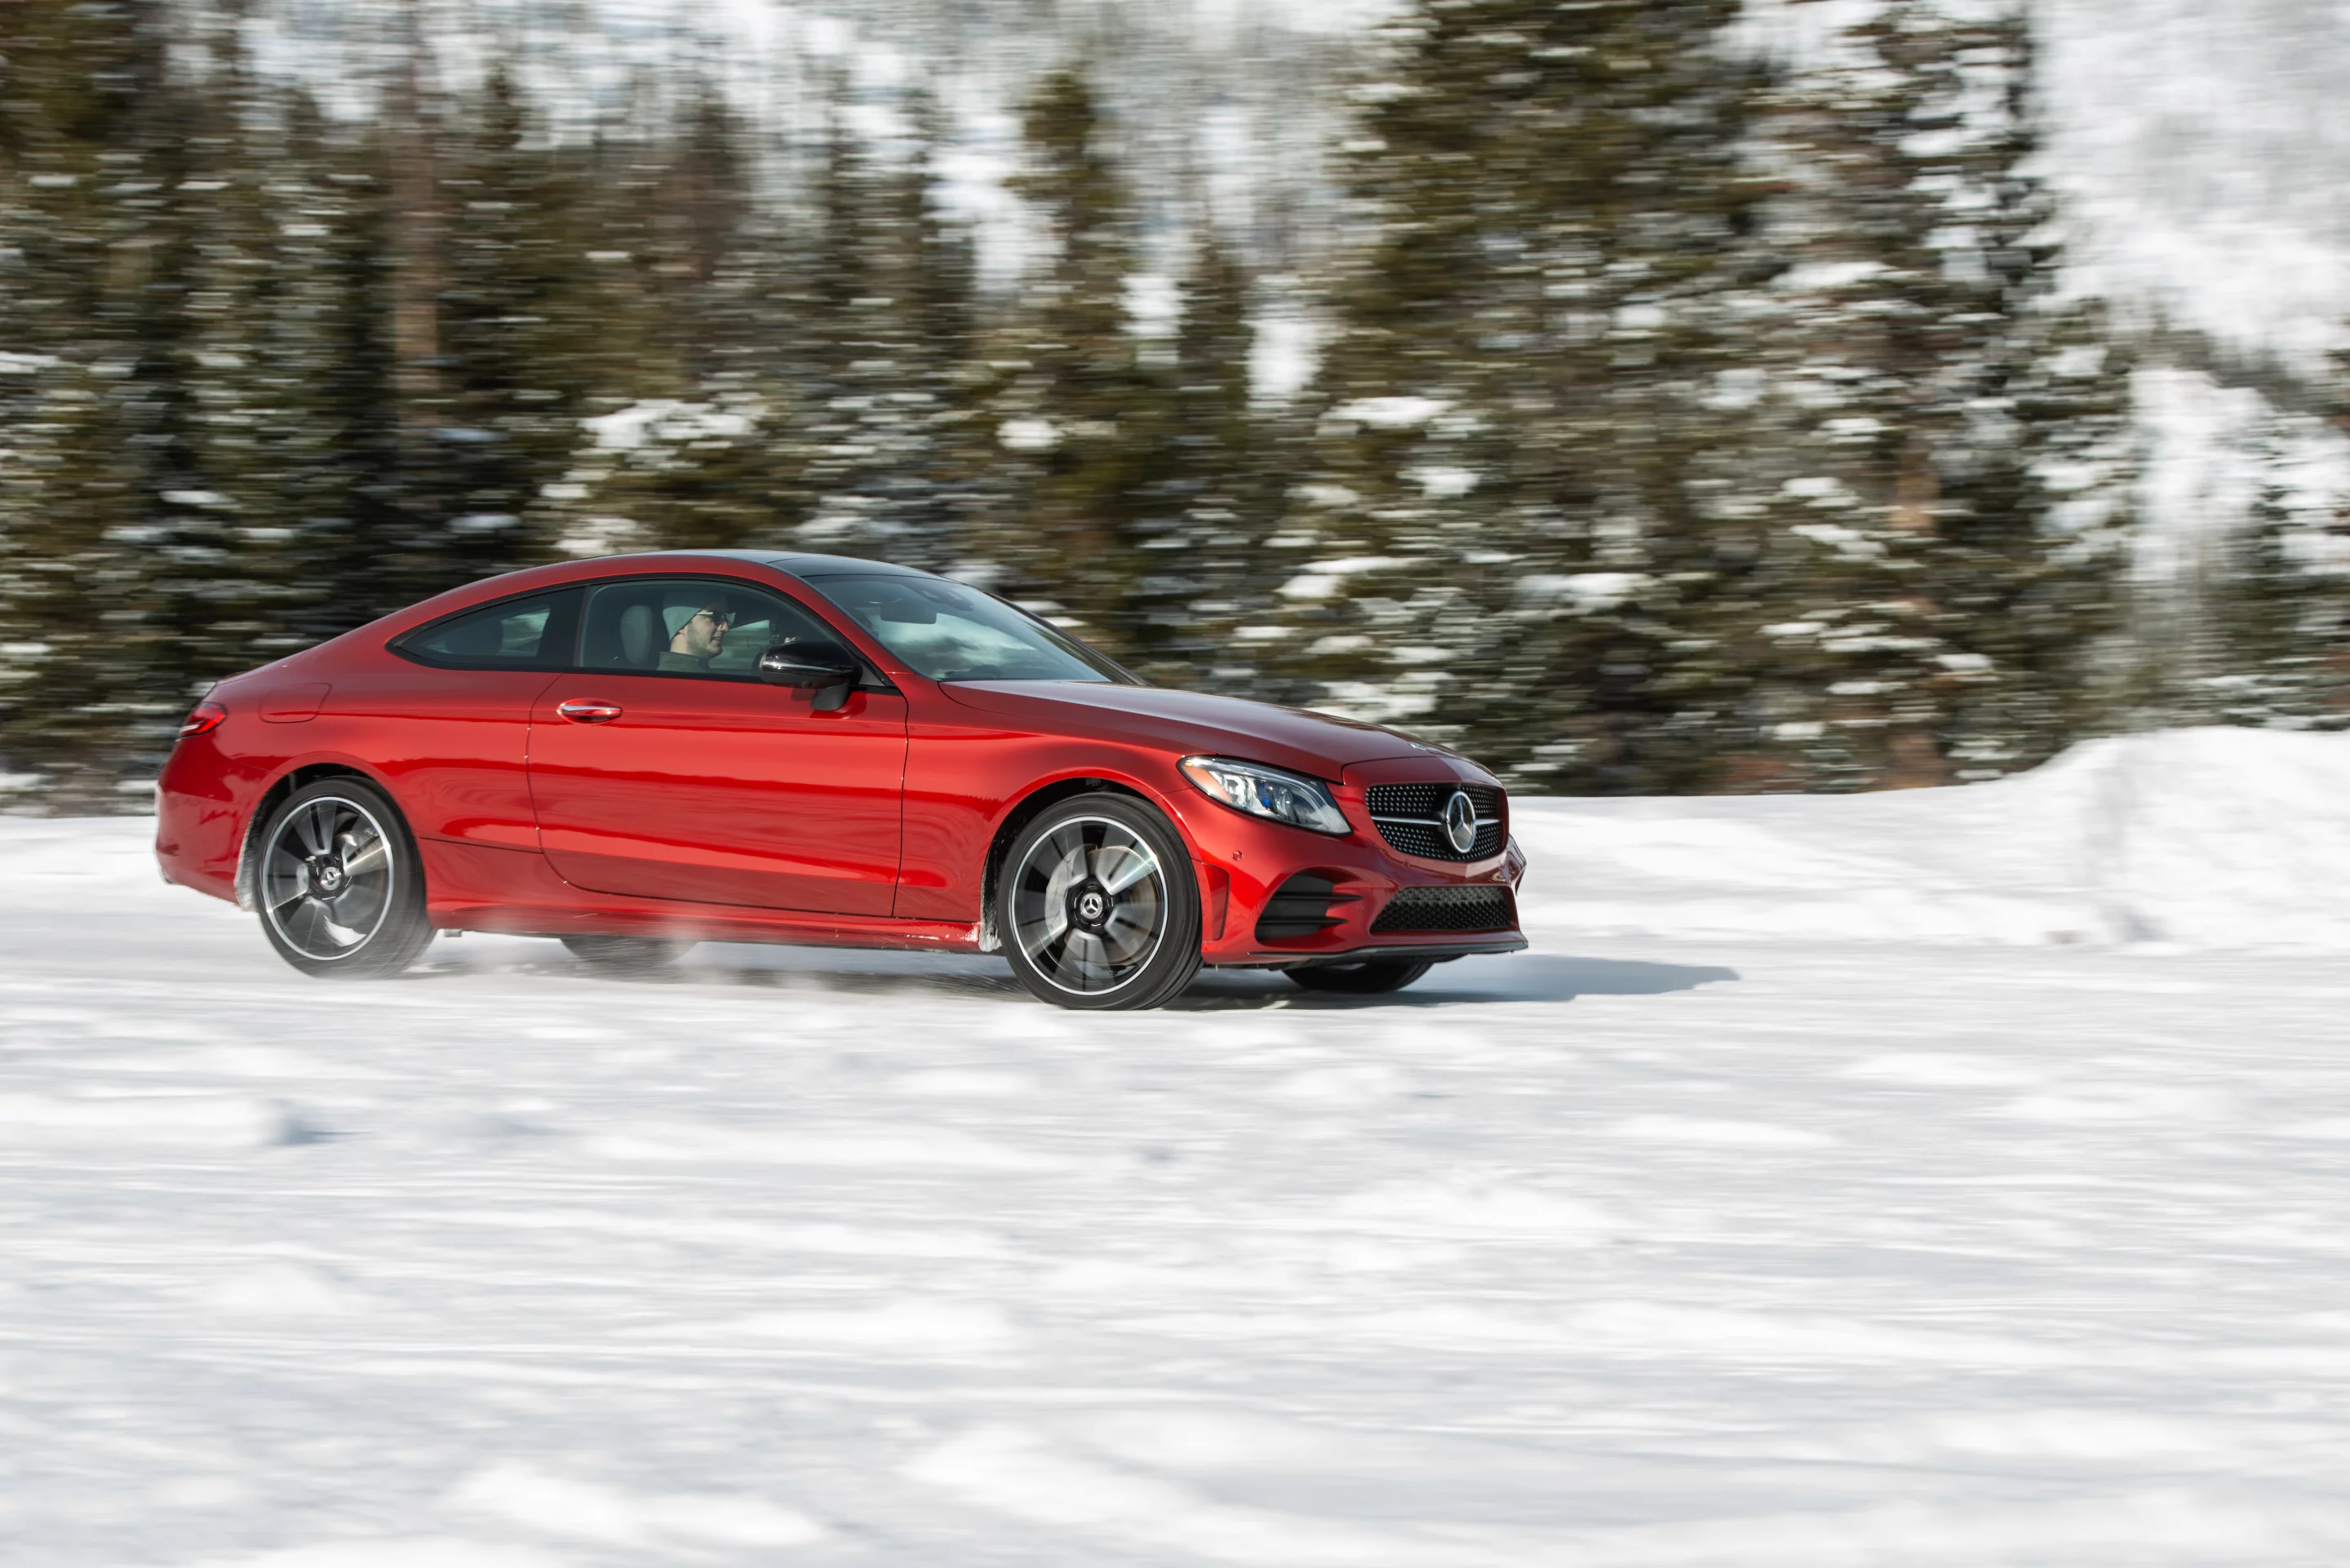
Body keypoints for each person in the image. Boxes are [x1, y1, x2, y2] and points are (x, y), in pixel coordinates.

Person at [658, 599, 731, 672]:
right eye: (714, 616)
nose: (725, 628)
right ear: (682, 625)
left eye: (725, 617)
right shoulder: (676, 679)